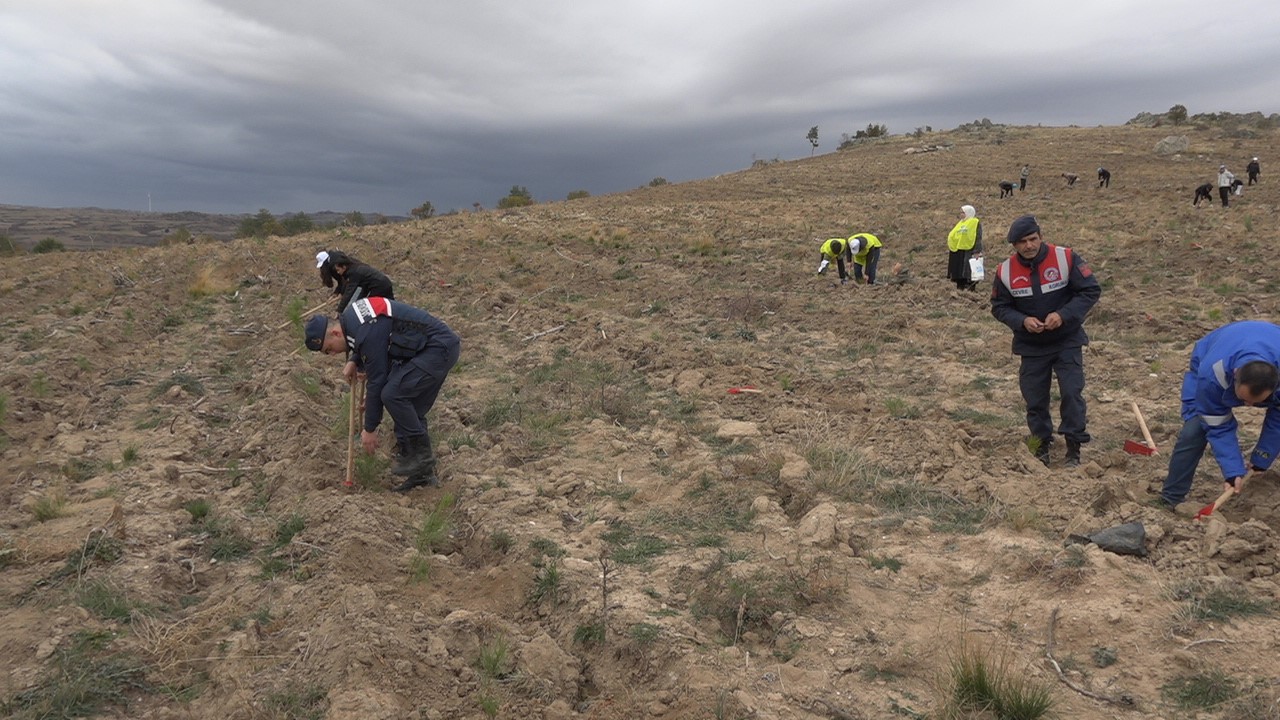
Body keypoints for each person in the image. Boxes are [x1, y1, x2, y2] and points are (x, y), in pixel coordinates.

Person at [305, 297, 461, 492]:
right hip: (425, 349)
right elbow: (372, 341)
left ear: (335, 333)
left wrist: (370, 429)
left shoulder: (364, 332)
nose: (333, 354)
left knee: (393, 394)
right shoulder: (352, 318)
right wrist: (355, 360)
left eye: (329, 349)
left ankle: (422, 459)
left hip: (438, 348)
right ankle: (421, 475)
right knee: (409, 409)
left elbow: (377, 380)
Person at [991, 215, 1102, 467]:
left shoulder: (1065, 258)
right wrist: (1022, 321)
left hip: (1067, 340)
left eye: (1033, 239)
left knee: (1072, 393)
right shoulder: (1005, 271)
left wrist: (1062, 315)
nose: (1029, 245)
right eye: (1022, 242)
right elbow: (999, 307)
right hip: (1031, 346)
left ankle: (1073, 447)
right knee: (1035, 399)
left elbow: (1090, 290)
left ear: (1040, 237)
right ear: (1014, 245)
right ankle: (1040, 445)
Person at [1158, 321, 1280, 510]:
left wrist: (1262, 459)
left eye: (1256, 402)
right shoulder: (1212, 376)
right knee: (1195, 430)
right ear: (1235, 374)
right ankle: (1171, 497)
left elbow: (1278, 421)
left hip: (1269, 342)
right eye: (1244, 399)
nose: (1249, 406)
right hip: (1214, 350)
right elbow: (1218, 425)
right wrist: (1233, 471)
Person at [316, 250, 395, 313]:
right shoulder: (344, 265)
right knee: (360, 304)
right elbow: (342, 282)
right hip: (368, 286)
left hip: (380, 286)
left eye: (338, 270)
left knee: (370, 307)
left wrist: (339, 310)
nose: (337, 272)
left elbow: (349, 292)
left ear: (343, 267)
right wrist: (337, 293)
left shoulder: (353, 273)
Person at [946, 205, 983, 291]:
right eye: (961, 212)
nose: (961, 214)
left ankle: (970, 289)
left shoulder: (974, 222)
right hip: (958, 251)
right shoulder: (961, 223)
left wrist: (977, 251)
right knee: (959, 271)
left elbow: (978, 237)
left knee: (968, 271)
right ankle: (960, 287)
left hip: (969, 251)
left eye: (963, 212)